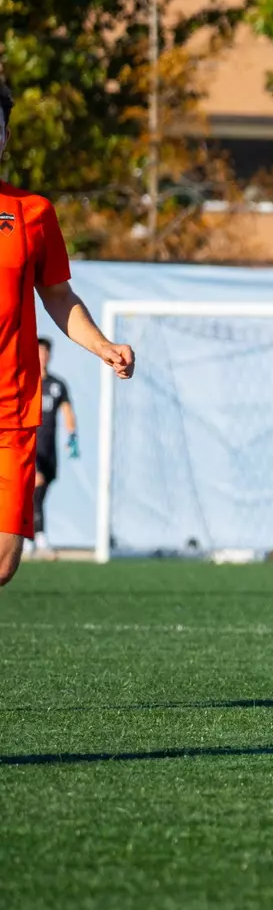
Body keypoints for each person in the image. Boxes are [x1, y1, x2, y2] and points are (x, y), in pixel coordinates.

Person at [0, 80, 135, 586]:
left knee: (4, 562)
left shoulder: (32, 212)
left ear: (6, 136)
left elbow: (57, 295)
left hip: (10, 409)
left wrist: (102, 345)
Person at [30, 337, 77, 558]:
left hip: (49, 451)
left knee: (40, 493)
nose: (43, 356)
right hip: (30, 448)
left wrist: (73, 438)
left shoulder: (58, 385)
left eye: (46, 352)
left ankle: (29, 537)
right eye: (39, 352)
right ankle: (38, 539)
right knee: (35, 490)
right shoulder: (26, 381)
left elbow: (67, 412)